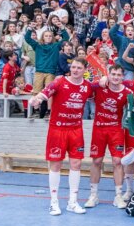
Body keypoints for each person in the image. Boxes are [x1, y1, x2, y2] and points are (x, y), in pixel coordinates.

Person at [29, 57, 93, 216]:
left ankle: (72, 202)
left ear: (85, 70)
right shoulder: (59, 82)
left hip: (76, 130)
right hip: (57, 130)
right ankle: (54, 202)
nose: (75, 70)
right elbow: (43, 94)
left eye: (79, 68)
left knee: (76, 164)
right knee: (56, 165)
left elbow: (103, 86)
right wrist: (36, 100)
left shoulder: (87, 87)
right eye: (73, 67)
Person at [84, 65, 133, 210]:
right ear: (109, 75)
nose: (116, 77)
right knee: (97, 161)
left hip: (116, 129)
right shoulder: (100, 87)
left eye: (119, 74)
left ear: (123, 77)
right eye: (113, 74)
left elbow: (133, 111)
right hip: (99, 128)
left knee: (118, 161)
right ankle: (93, 195)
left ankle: (118, 195)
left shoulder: (127, 93)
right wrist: (100, 79)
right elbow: (84, 85)